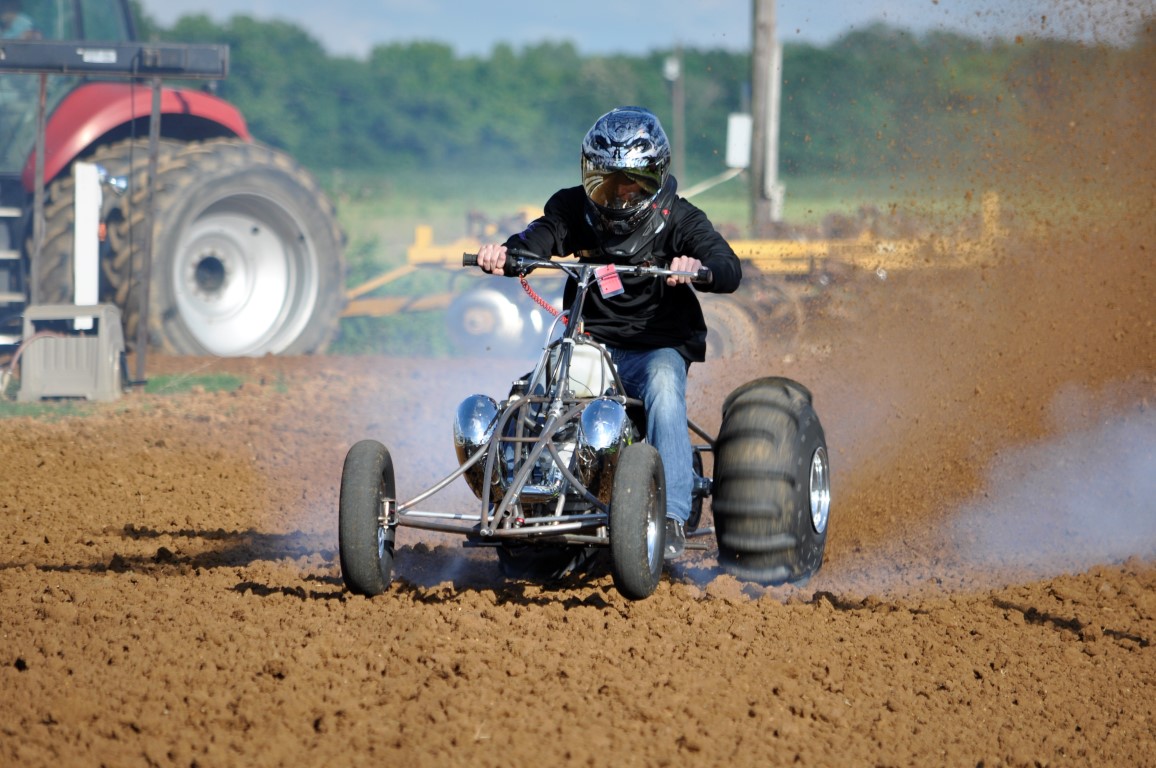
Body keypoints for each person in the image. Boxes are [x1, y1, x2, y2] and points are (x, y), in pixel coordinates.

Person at [476, 106, 742, 560]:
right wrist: (509, 253)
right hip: (591, 344)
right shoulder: (572, 209)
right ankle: (517, 500)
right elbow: (540, 236)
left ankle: (674, 516)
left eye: (631, 182)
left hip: (656, 348)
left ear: (654, 178)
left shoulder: (681, 219)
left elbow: (727, 265)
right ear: (588, 176)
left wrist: (697, 268)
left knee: (662, 385)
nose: (619, 195)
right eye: (605, 181)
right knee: (539, 389)